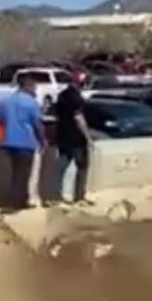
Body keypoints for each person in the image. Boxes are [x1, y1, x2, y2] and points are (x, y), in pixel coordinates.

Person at [0, 73, 46, 211]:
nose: (35, 90)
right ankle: (13, 204)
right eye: (34, 87)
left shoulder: (5, 101)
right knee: (22, 175)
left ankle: (22, 201)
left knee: (12, 173)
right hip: (25, 141)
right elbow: (37, 124)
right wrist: (43, 141)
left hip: (6, 142)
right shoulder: (31, 102)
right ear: (27, 86)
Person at [49, 75, 92, 205]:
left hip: (62, 135)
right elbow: (78, 118)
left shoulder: (61, 95)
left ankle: (55, 196)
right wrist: (88, 137)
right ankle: (79, 197)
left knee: (61, 166)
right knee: (82, 166)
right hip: (76, 138)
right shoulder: (76, 98)